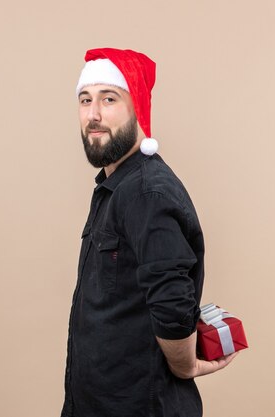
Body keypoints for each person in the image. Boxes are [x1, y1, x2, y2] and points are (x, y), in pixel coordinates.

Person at [61, 48, 238, 417]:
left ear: (137, 107)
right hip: (97, 403)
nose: (93, 114)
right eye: (85, 100)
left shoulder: (147, 192)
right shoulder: (113, 188)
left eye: (109, 99)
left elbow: (172, 299)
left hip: (141, 406)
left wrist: (185, 365)